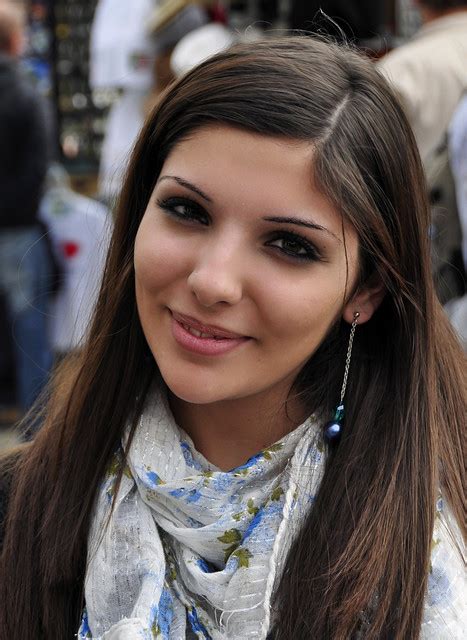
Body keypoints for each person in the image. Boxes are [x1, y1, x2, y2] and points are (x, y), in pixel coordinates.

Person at [0, 36, 465, 639]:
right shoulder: (19, 514)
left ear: (366, 290)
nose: (212, 281)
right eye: (187, 211)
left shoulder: (438, 531)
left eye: (290, 245)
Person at [0, 1, 52, 412]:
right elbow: (37, 168)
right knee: (29, 326)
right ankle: (36, 422)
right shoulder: (25, 95)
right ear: (16, 41)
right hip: (17, 230)